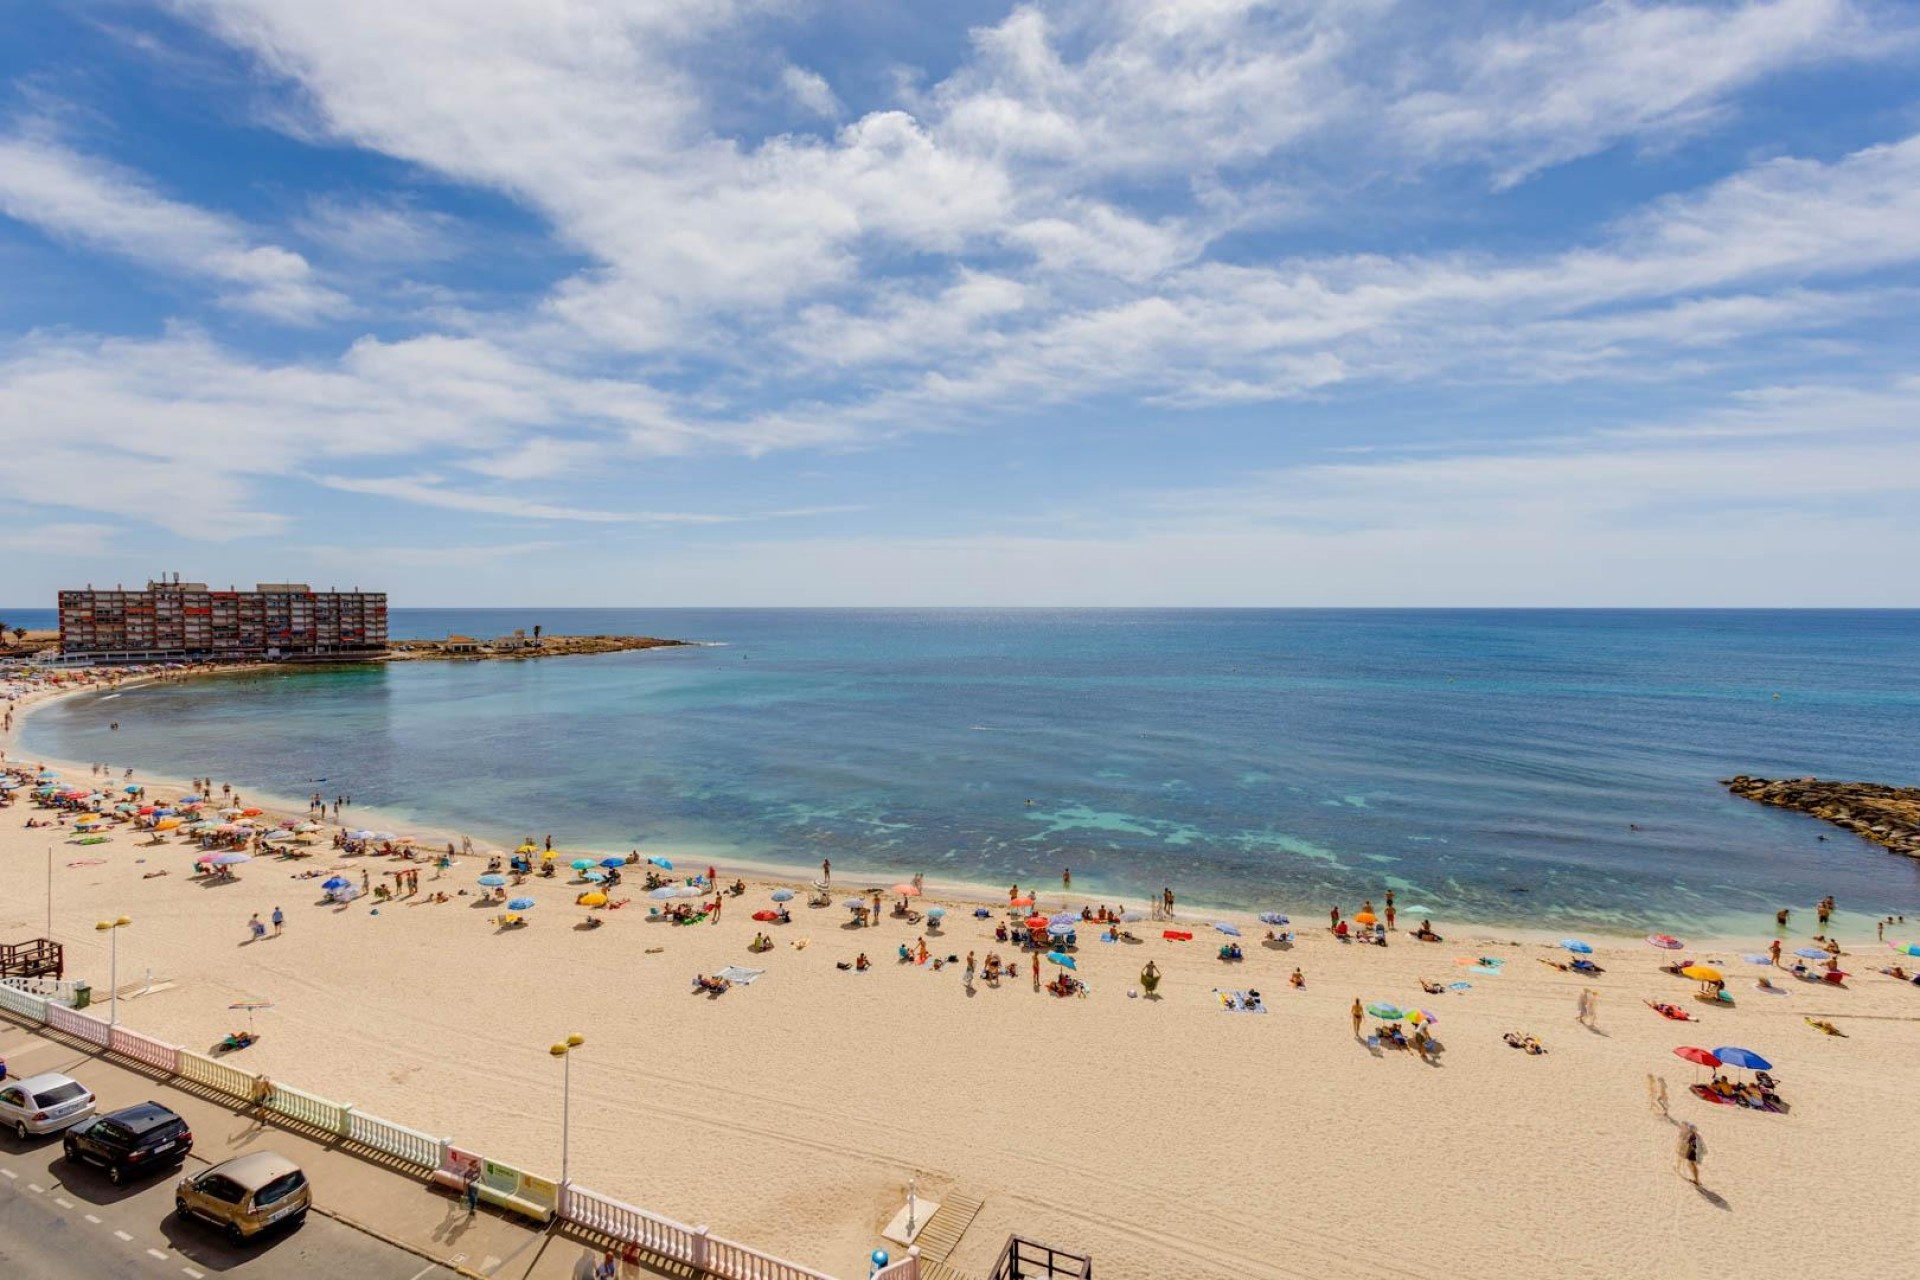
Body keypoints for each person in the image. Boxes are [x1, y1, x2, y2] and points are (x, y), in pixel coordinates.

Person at [1677, 1122, 1704, 1186]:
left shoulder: (1693, 1136)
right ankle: (1696, 1179)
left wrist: (1686, 1153)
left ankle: (1697, 1180)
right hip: (1693, 1153)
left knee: (1692, 1165)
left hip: (1692, 1153)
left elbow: (1692, 1146)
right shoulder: (1694, 1136)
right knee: (1691, 1165)